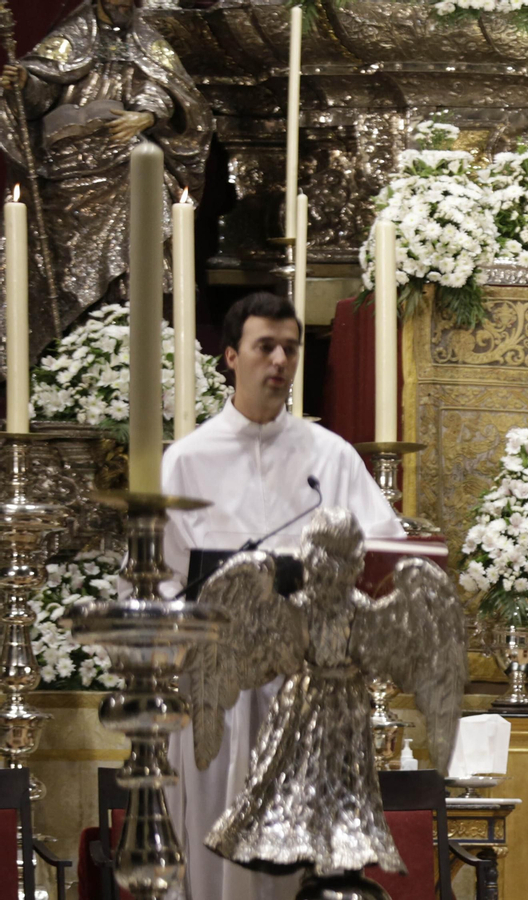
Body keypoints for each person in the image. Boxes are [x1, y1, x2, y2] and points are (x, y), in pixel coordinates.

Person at [164, 292, 405, 900]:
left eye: (290, 348)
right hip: (218, 692)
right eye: (264, 346)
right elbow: (157, 583)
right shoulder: (186, 462)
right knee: (214, 853)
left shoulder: (332, 458)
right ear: (229, 357)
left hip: (308, 698)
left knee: (303, 864)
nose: (279, 360)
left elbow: (383, 559)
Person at [0, 0, 213, 351]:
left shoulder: (147, 40)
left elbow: (163, 85)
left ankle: (131, 316)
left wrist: (146, 115)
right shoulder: (71, 36)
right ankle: (75, 341)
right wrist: (24, 83)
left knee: (148, 183)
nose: (123, 3)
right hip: (67, 162)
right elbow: (41, 93)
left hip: (127, 159)